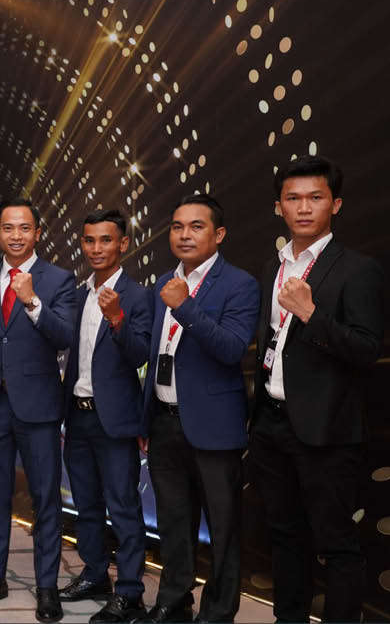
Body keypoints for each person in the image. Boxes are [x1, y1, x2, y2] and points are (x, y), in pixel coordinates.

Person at [249, 156, 383, 622]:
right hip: (272, 424)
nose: (303, 208)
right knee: (285, 537)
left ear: (335, 204)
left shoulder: (358, 269)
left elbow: (366, 349)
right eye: (293, 198)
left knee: (337, 545)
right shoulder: (272, 266)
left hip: (327, 430)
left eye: (315, 197)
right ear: (279, 207)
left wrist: (310, 314)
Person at [139, 194, 259, 623]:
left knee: (223, 528)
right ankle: (173, 602)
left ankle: (218, 613)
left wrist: (184, 306)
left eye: (196, 226)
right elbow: (156, 355)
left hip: (214, 427)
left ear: (218, 234)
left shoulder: (240, 284)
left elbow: (231, 349)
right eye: (177, 226)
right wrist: (146, 420)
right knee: (173, 523)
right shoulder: (163, 282)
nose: (184, 235)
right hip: (164, 422)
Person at [0, 197, 76, 623]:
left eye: (24, 228)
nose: (16, 236)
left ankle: (47, 586)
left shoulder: (58, 279)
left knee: (45, 499)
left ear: (37, 233)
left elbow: (65, 336)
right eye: (8, 228)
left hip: (39, 408)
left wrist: (32, 302)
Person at [57, 209, 152, 622]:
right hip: (77, 417)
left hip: (114, 420)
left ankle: (130, 592)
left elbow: (140, 355)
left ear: (123, 244)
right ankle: (95, 574)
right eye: (89, 240)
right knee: (86, 504)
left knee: (124, 507)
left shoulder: (138, 296)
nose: (96, 248)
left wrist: (117, 318)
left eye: (106, 240)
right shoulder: (78, 294)